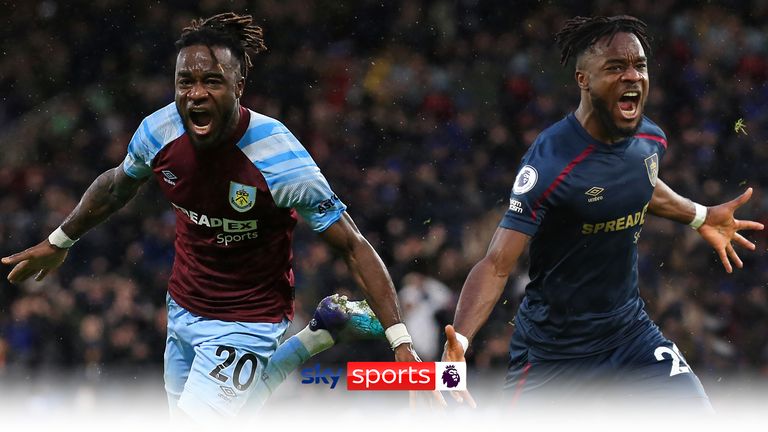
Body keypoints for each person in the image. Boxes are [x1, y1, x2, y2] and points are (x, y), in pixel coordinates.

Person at [1, 12, 429, 421]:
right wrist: (58, 241)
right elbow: (117, 185)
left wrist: (401, 342)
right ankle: (323, 329)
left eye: (212, 81)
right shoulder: (159, 131)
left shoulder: (280, 157)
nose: (196, 93)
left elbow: (352, 244)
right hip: (184, 306)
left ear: (239, 85)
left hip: (250, 317)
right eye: (185, 81)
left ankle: (320, 333)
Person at [441, 15, 764, 412]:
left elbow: (641, 185)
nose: (633, 76)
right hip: (554, 355)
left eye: (639, 65)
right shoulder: (550, 163)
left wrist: (699, 215)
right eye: (616, 67)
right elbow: (496, 265)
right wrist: (463, 342)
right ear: (583, 80)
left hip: (630, 335)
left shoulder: (649, 138)